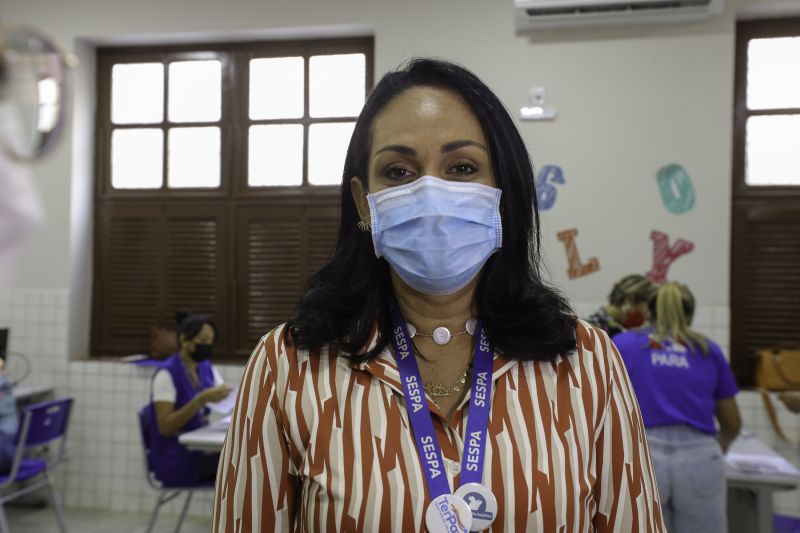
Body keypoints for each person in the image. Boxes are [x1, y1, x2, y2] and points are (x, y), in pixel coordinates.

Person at [214, 58, 663, 532]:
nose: (431, 193)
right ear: (364, 202)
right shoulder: (289, 367)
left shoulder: (586, 363)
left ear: (502, 195)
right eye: (399, 172)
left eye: (462, 167)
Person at [613, 282, 741, 533]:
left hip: (642, 457)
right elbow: (732, 421)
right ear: (691, 315)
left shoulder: (624, 345)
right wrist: (718, 446)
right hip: (699, 460)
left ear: (649, 312)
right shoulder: (707, 349)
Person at [147, 311, 231, 486]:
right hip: (175, 458)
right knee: (238, 468)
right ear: (184, 340)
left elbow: (223, 395)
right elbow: (166, 427)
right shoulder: (166, 373)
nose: (207, 345)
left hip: (197, 450)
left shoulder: (205, 367)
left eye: (211, 341)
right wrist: (199, 401)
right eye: (202, 340)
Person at [586, 274, 658, 337]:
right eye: (646, 309)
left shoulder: (600, 325)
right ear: (630, 300)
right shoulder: (595, 331)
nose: (646, 316)